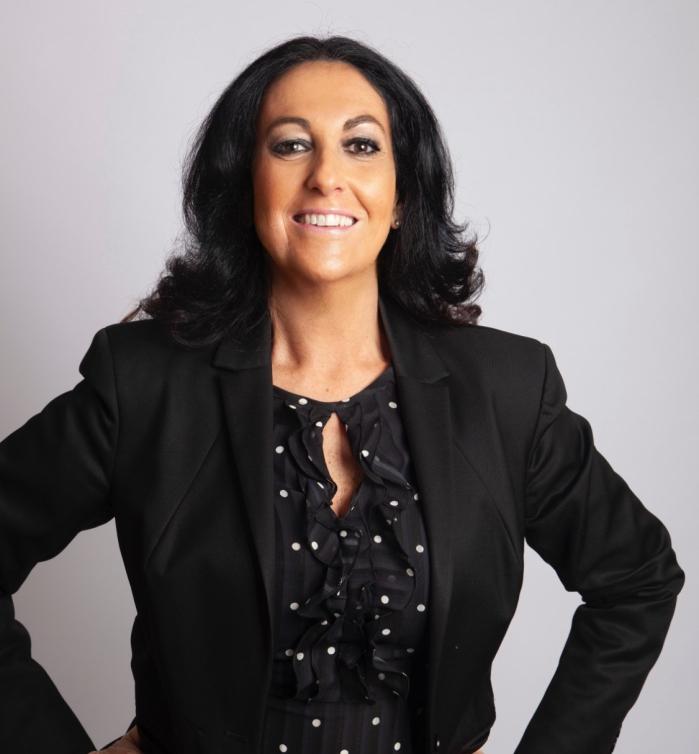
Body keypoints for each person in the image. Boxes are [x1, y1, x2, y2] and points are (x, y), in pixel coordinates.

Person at [0, 34, 685, 754]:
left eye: (361, 146)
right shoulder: (143, 384)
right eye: (290, 145)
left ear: (401, 196)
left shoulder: (509, 388)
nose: (326, 175)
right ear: (244, 187)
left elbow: (636, 578)